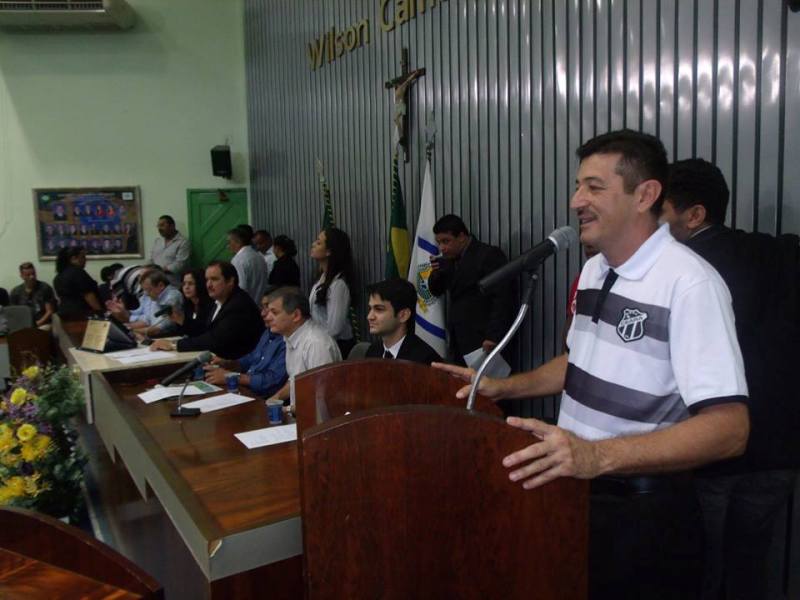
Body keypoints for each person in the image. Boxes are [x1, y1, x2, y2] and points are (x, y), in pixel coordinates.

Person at [435, 130, 750, 599]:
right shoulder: (596, 269)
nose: (575, 200)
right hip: (579, 496)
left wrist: (597, 456)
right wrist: (502, 388)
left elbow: (730, 429)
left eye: (594, 187)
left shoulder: (689, 284)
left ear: (645, 195)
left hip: (645, 514)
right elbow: (580, 362)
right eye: (578, 185)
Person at [661, 158, 800, 600]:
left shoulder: (680, 273)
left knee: (697, 568)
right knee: (751, 570)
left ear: (694, 214)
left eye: (659, 210)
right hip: (781, 449)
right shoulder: (783, 253)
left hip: (712, 451)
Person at [428, 214, 515, 365]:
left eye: (446, 241)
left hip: (483, 339)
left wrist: (493, 335)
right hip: (459, 340)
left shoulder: (488, 255)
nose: (442, 247)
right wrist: (437, 273)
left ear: (461, 236)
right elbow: (436, 291)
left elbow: (502, 298)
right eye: (439, 242)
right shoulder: (449, 259)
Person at [151, 261, 263, 360]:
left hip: (237, 367)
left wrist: (174, 345)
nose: (208, 285)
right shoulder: (220, 301)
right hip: (219, 360)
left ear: (230, 281)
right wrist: (182, 321)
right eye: (207, 280)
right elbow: (205, 331)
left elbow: (214, 339)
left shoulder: (238, 305)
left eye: (214, 279)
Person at [263, 286, 341, 401]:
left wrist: (286, 410)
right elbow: (295, 381)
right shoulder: (291, 336)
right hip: (300, 411)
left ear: (296, 315)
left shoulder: (316, 344)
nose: (268, 317)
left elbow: (322, 397)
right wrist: (275, 398)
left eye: (274, 312)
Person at [203, 291, 287, 397]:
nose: (263, 313)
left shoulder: (286, 340)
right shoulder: (268, 332)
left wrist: (230, 376)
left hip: (262, 399)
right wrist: (228, 363)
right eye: (264, 307)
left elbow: (270, 383)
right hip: (245, 391)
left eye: (272, 311)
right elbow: (251, 359)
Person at [364, 278, 441, 365]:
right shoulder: (372, 351)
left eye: (379, 309)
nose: (369, 317)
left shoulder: (425, 359)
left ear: (403, 315)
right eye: (370, 308)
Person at [309, 227, 356, 357]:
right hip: (321, 342)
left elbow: (335, 328)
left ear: (329, 251)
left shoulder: (338, 285)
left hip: (336, 346)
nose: (313, 244)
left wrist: (315, 343)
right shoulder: (321, 278)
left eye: (318, 242)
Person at [108, 270, 183, 338]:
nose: (146, 294)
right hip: (158, 337)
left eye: (149, 290)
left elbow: (158, 329)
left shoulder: (171, 297)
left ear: (161, 285)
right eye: (145, 291)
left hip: (169, 337)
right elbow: (147, 321)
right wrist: (126, 328)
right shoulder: (156, 296)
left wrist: (130, 331)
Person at [53, 247, 102, 319]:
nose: (85, 260)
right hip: (81, 315)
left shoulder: (57, 277)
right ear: (73, 259)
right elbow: (89, 296)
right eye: (83, 257)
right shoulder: (78, 272)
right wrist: (101, 313)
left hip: (64, 314)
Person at [228, 226, 269, 304]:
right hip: (260, 305)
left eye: (230, 242)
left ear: (238, 242)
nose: (228, 246)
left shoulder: (238, 260)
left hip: (246, 307)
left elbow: (241, 288)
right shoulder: (259, 256)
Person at [10, 262, 57, 328]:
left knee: (41, 331)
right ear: (22, 276)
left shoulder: (45, 288)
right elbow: (14, 313)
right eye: (28, 275)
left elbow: (49, 311)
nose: (32, 277)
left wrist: (37, 324)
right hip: (24, 325)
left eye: (33, 274)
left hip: (42, 323)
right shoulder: (16, 292)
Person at [170, 269, 214, 338]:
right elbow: (182, 332)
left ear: (200, 284)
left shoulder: (211, 304)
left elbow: (204, 331)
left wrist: (183, 321)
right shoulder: (188, 304)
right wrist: (178, 321)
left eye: (190, 283)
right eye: (184, 284)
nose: (186, 287)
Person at [150, 215, 190, 287]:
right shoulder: (158, 241)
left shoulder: (183, 242)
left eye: (162, 225)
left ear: (172, 226)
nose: (159, 229)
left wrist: (160, 270)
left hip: (172, 283)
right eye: (158, 226)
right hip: (155, 282)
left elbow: (180, 264)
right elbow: (152, 259)